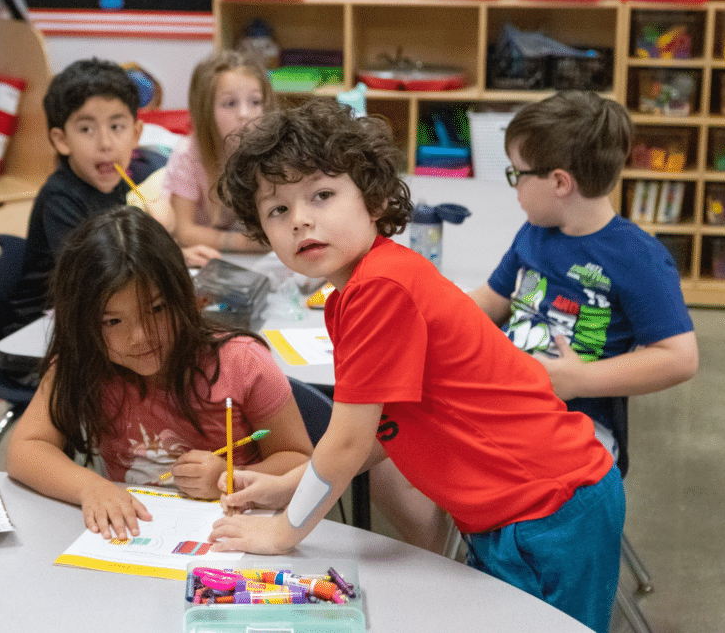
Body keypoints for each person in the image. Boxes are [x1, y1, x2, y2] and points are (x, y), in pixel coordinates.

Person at [207, 98, 625, 633]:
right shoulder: (353, 294)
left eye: (323, 195)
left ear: (375, 199)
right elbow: (388, 427)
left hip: (549, 509)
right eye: (278, 210)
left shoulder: (381, 289)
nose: (302, 220)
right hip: (520, 509)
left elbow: (351, 441)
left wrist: (284, 532)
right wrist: (288, 485)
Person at [5, 206, 313, 542]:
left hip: (236, 540)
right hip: (139, 542)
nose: (140, 337)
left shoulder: (241, 362)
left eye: (156, 309)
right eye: (112, 322)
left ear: (184, 296)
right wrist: (90, 486)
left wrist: (230, 478)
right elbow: (26, 449)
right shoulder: (83, 362)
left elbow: (301, 462)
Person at [468, 90, 699, 477]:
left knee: (474, 475)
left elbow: (680, 357)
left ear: (559, 182)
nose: (514, 188)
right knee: (393, 440)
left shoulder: (637, 256)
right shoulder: (536, 231)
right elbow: (494, 298)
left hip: (575, 423)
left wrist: (578, 380)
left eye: (517, 174)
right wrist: (428, 314)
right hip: (505, 400)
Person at [1, 58, 216, 338]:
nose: (105, 143)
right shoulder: (61, 198)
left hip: (102, 318)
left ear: (136, 133)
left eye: (117, 127)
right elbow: (99, 279)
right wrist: (161, 243)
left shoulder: (123, 182)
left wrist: (176, 253)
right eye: (87, 129)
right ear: (61, 140)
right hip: (43, 332)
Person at [160, 50, 276, 254]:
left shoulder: (270, 150)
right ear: (205, 110)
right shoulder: (188, 156)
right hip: (203, 250)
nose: (245, 115)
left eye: (255, 102)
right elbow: (185, 232)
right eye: (230, 103)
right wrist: (248, 243)